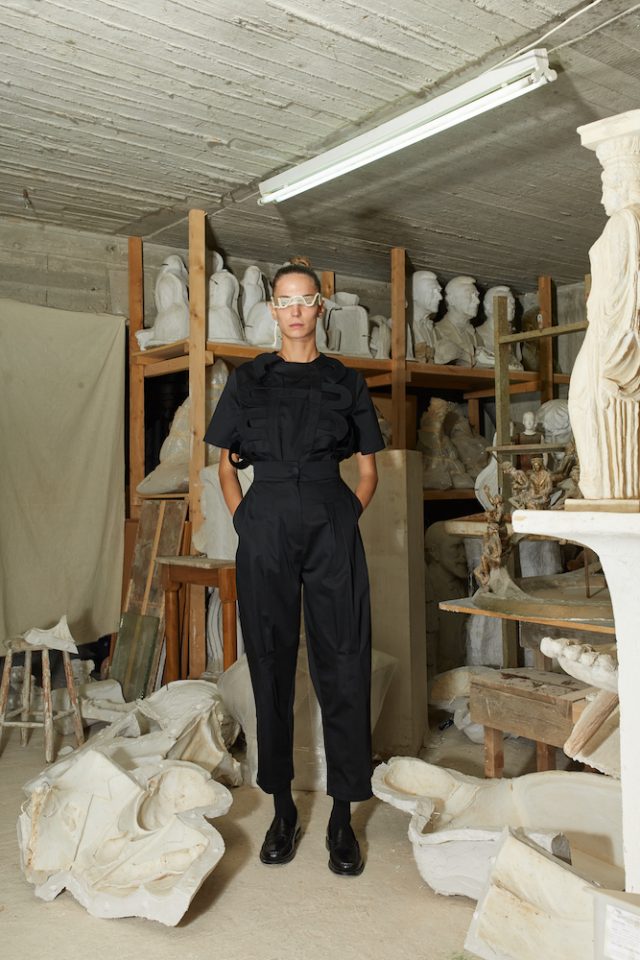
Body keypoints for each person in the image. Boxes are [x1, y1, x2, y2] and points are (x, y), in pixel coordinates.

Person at [204, 263, 384, 877]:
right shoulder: (248, 380)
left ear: (320, 307)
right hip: (266, 522)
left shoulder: (346, 381)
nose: (297, 310)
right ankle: (282, 809)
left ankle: (342, 816)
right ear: (273, 311)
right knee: (270, 659)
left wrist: (345, 515)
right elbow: (225, 466)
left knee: (345, 659)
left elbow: (368, 470)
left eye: (306, 299)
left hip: (332, 520)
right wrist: (245, 520)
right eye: (286, 301)